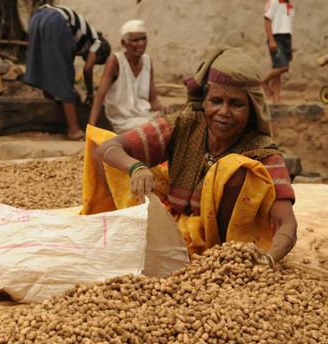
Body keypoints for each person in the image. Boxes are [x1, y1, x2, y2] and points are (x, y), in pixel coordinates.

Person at [82, 47, 297, 266]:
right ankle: (123, 235)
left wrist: (268, 259)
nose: (223, 112)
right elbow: (110, 147)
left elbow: (286, 223)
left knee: (235, 170)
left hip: (220, 251)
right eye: (215, 101)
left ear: (252, 109)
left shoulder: (261, 151)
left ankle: (218, 257)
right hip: (171, 225)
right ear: (204, 101)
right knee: (104, 148)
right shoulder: (185, 124)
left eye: (236, 104)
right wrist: (136, 167)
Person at [24, 4, 111, 141]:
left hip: (38, 17)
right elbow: (87, 69)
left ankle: (51, 115)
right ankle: (74, 130)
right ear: (101, 55)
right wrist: (89, 93)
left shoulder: (82, 37)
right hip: (56, 20)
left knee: (46, 69)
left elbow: (53, 69)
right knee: (64, 77)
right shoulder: (98, 42)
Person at [88, 19, 167, 133]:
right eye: (135, 40)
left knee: (172, 121)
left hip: (144, 116)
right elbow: (100, 96)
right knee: (158, 127)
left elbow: (153, 99)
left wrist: (163, 108)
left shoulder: (147, 60)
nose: (141, 43)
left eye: (143, 39)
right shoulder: (115, 61)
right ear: (124, 43)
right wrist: (91, 129)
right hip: (122, 121)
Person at [262, 0, 295, 103]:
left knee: (278, 71)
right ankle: (263, 82)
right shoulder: (274, 2)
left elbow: (287, 25)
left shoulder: (289, 5)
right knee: (283, 67)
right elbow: (267, 21)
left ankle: (276, 100)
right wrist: (271, 40)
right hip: (276, 38)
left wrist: (290, 46)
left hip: (287, 38)